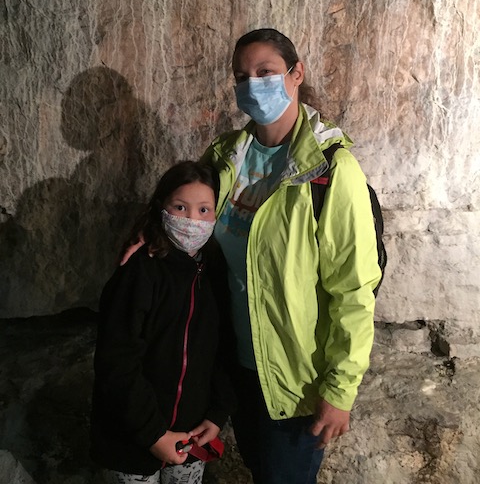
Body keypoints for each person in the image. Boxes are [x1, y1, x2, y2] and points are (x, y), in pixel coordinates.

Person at [200, 28, 382, 484]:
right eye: (242, 77)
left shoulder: (332, 170)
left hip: (294, 381)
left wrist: (340, 390)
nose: (253, 85)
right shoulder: (225, 157)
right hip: (237, 366)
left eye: (266, 72)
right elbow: (185, 215)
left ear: (296, 73)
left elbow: (353, 288)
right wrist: (148, 233)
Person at [90, 161, 235, 484]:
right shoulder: (139, 271)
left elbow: (224, 348)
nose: (192, 220)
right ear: (161, 208)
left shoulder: (215, 271)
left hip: (191, 437)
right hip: (132, 441)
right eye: (180, 207)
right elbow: (117, 360)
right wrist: (154, 434)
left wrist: (216, 414)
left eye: (204, 210)